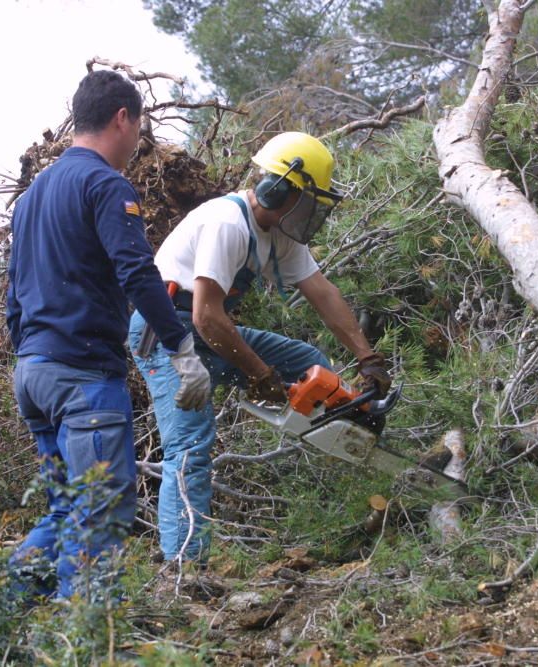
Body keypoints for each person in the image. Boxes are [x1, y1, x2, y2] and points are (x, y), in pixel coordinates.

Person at [128, 131, 392, 564]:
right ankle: (184, 565)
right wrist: (257, 372)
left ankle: (356, 459)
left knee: (309, 365)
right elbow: (207, 316)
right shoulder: (227, 223)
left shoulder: (281, 233)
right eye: (307, 199)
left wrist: (368, 358)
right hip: (165, 332)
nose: (309, 212)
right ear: (280, 188)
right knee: (190, 445)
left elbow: (322, 293)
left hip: (205, 328)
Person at [5, 70, 210, 599]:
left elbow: (14, 293)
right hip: (81, 377)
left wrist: (28, 356)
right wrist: (182, 350)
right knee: (99, 509)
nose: (139, 140)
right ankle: (89, 635)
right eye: (139, 127)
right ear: (123, 118)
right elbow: (138, 273)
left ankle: (1, 614)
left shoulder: (30, 199)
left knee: (67, 507)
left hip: (33, 374)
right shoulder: (104, 184)